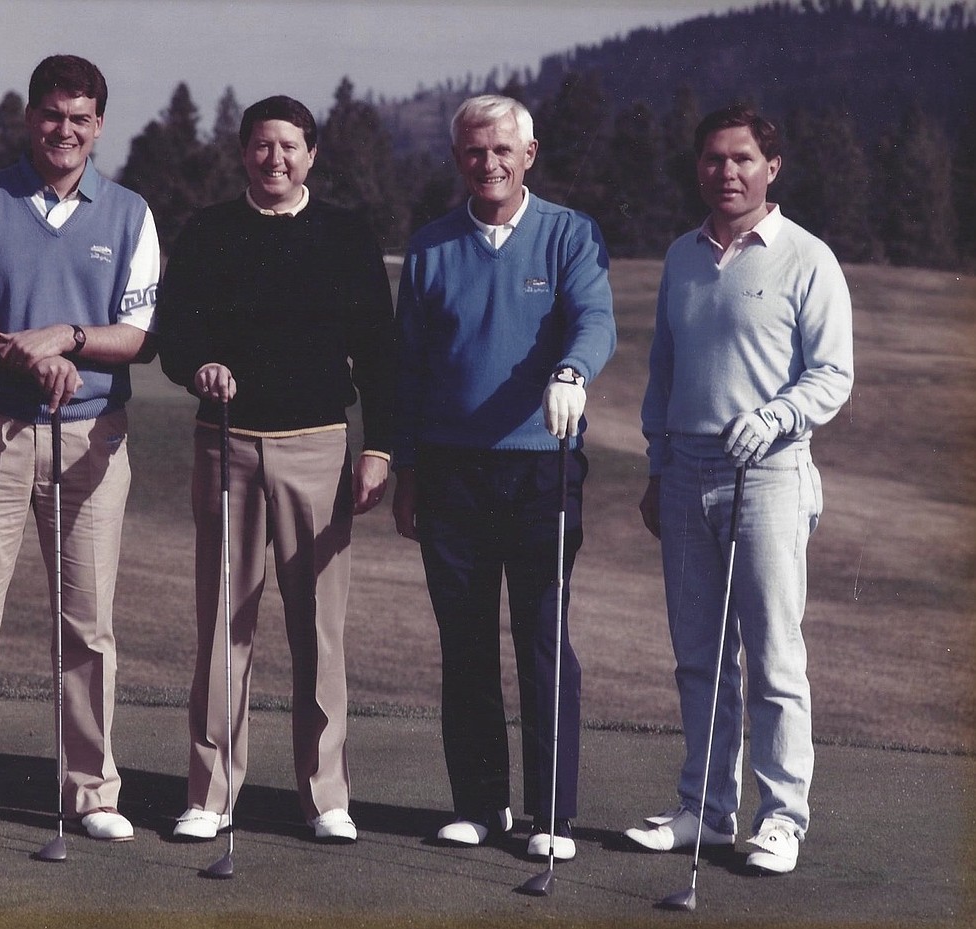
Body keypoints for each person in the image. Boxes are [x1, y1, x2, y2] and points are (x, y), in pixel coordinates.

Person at [0, 55, 160, 843]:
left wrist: (71, 339)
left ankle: (93, 790)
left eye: (81, 118)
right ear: (29, 117)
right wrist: (29, 354)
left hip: (91, 439)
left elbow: (138, 334)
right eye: (53, 115)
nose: (65, 130)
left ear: (99, 125)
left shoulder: (127, 212)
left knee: (87, 624)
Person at [155, 95, 395, 845]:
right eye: (261, 146)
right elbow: (176, 332)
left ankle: (326, 795)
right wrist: (201, 365)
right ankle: (212, 790)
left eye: (288, 146)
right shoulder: (209, 231)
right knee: (224, 624)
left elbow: (380, 351)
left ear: (311, 155)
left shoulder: (345, 234)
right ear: (243, 153)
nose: (274, 159)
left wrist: (379, 447)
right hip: (225, 442)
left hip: (319, 443)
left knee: (318, 631)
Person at [624, 104, 854, 875]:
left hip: (772, 469)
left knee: (774, 655)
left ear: (772, 167)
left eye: (744, 159)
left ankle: (782, 818)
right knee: (700, 654)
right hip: (686, 467)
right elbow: (663, 372)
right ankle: (706, 810)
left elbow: (831, 372)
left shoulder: (807, 258)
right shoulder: (682, 256)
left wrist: (780, 413)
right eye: (715, 160)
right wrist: (657, 465)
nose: (728, 173)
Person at [392, 94, 616, 862]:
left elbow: (595, 319)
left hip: (540, 466)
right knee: (464, 640)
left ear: (529, 155)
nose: (487, 163)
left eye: (501, 150)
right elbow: (409, 370)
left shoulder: (568, 235)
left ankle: (553, 813)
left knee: (543, 638)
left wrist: (572, 370)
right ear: (458, 158)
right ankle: (481, 803)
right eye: (472, 151)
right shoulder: (430, 247)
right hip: (452, 471)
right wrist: (408, 468)